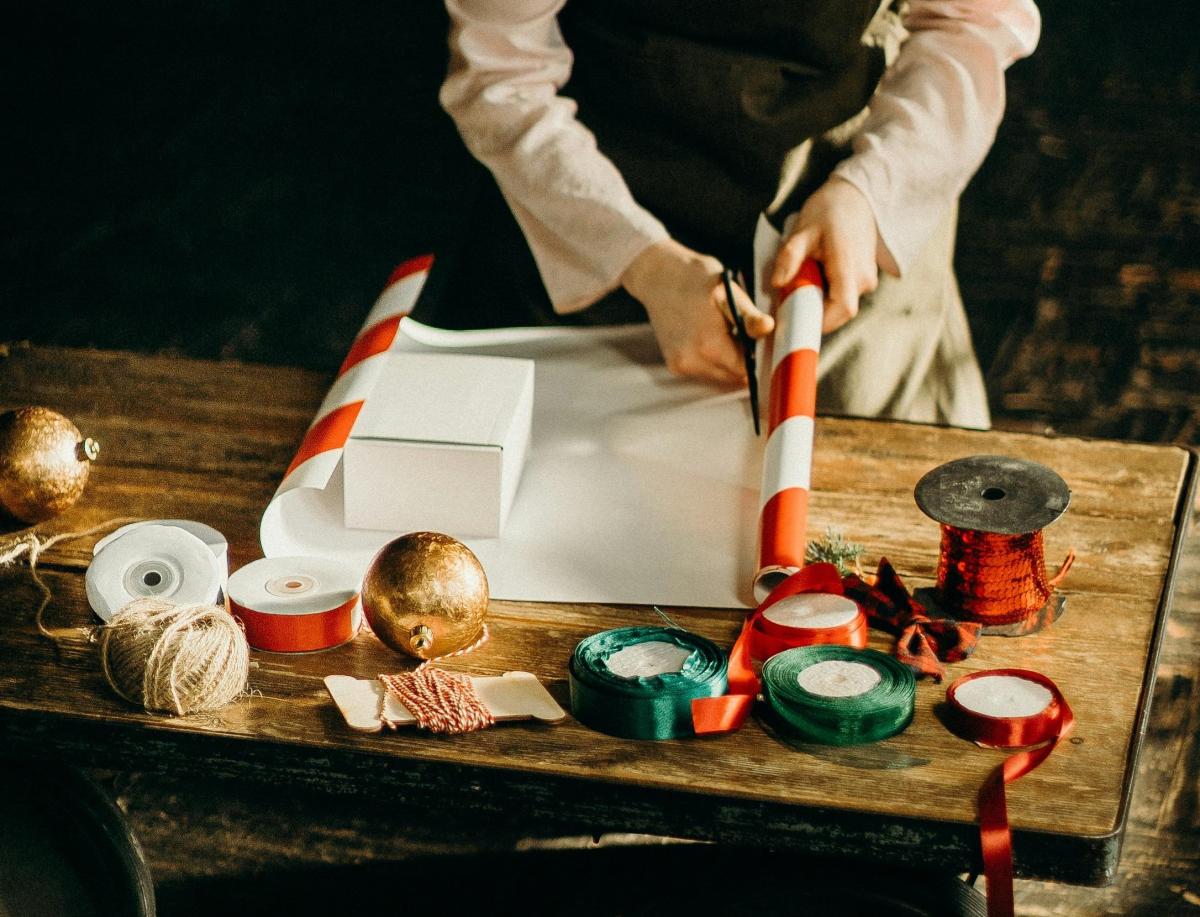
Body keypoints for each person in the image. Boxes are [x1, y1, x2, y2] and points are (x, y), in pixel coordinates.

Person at [428, 0, 1041, 429]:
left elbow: (971, 24)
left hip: (859, 197)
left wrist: (872, 189)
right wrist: (639, 259)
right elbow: (502, 75)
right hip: (592, 202)